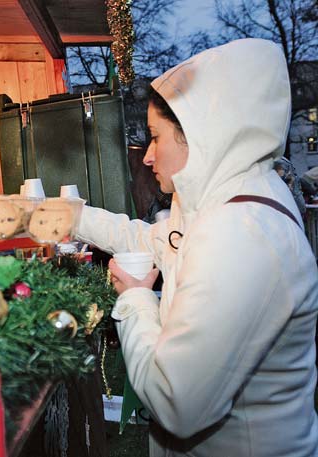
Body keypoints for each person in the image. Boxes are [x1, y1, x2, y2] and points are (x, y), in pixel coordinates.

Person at [77, 39, 318, 456]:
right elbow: (146, 239)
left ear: (202, 137)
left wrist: (135, 300)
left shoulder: (241, 234)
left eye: (155, 138)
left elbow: (179, 403)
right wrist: (70, 216)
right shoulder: (220, 202)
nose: (148, 156)